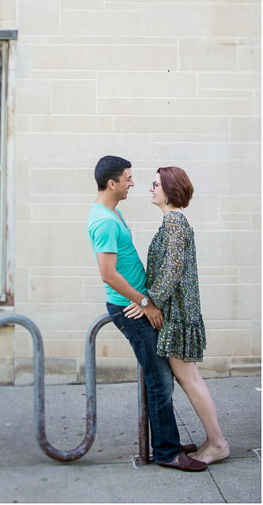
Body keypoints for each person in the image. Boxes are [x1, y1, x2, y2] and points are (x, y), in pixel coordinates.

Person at [86, 155, 206, 472]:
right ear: (112, 183)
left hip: (141, 305)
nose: (133, 183)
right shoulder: (104, 221)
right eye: (128, 178)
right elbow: (108, 274)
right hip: (132, 309)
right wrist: (145, 303)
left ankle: (166, 440)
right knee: (160, 381)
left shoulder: (113, 213)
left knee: (161, 379)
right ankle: (166, 451)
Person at [122, 166, 229, 465]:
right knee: (189, 379)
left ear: (169, 190)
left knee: (190, 380)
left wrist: (147, 301)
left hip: (179, 314)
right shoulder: (173, 222)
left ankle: (218, 443)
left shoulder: (174, 222)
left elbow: (171, 271)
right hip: (178, 313)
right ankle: (214, 440)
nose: (150, 188)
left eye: (155, 184)